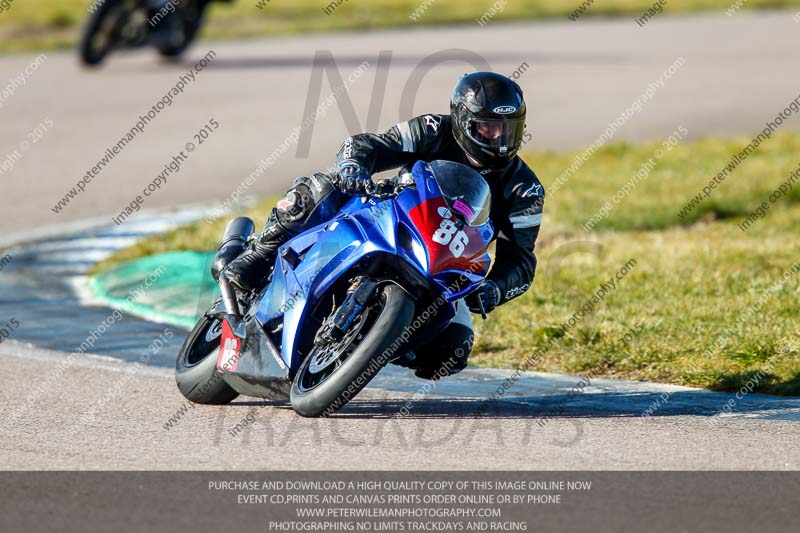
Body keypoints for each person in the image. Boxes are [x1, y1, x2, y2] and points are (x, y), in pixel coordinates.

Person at [225, 71, 545, 379]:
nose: (500, 141)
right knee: (325, 189)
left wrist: (495, 289)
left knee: (453, 350)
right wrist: (354, 167)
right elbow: (368, 145)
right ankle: (257, 254)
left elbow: (521, 260)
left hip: (445, 263)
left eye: (509, 130)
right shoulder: (432, 129)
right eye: (488, 129)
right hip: (391, 217)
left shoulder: (525, 189)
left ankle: (370, 343)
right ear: (462, 122)